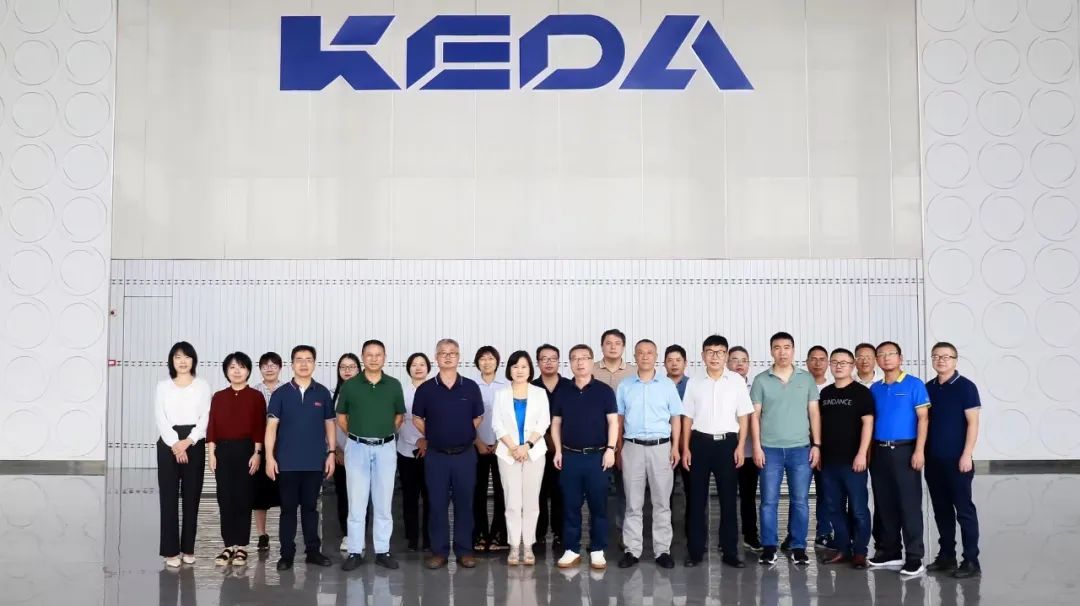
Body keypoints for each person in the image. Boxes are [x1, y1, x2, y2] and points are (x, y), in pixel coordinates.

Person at [412, 338, 485, 570]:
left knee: (465, 503)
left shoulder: (470, 387)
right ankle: (439, 551)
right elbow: (416, 418)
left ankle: (465, 551)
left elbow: (478, 417)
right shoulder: (426, 389)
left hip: (465, 455)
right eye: (443, 353)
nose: (448, 356)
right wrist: (434, 434)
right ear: (436, 358)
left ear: (459, 357)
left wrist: (462, 431)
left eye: (452, 353)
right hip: (436, 456)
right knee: (437, 504)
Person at [681, 335, 753, 568]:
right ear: (703, 355)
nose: (715, 356)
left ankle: (730, 551)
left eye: (720, 352)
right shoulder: (694, 382)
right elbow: (687, 418)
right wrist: (685, 448)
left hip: (727, 445)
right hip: (699, 444)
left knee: (729, 499)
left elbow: (744, 416)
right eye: (710, 352)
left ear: (726, 355)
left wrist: (740, 446)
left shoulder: (736, 382)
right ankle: (695, 551)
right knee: (696, 499)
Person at [265, 345, 337, 571]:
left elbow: (329, 424)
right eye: (299, 359)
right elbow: (271, 428)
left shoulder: (322, 393)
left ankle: (313, 551)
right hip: (286, 463)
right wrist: (269, 458)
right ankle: (286, 554)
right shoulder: (280, 394)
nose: (304, 364)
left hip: (314, 462)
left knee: (310, 508)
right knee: (287, 510)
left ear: (314, 363)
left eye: (308, 359)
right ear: (292, 364)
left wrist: (331, 453)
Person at [751, 331, 820, 567]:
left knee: (800, 500)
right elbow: (755, 416)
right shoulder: (761, 380)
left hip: (800, 449)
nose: (782, 352)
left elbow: (814, 413)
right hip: (769, 450)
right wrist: (757, 447)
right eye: (777, 348)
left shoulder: (806, 379)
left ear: (793, 350)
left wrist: (817, 445)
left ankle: (798, 547)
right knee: (768, 501)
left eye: (787, 347)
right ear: (771, 351)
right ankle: (769, 547)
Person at [337, 340, 406, 571]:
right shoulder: (351, 386)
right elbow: (342, 418)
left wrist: (383, 433)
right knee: (356, 502)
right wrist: (359, 434)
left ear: (384, 357)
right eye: (369, 354)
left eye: (378, 355)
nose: (374, 359)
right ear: (362, 357)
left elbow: (399, 417)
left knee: (383, 502)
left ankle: (382, 550)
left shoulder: (393, 385)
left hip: (385, 448)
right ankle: (355, 551)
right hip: (357, 448)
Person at [616, 339, 683, 569]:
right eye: (640, 353)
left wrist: (675, 447)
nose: (645, 356)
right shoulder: (625, 386)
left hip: (661, 448)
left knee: (662, 502)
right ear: (634, 356)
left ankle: (662, 550)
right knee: (633, 503)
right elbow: (619, 419)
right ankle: (632, 550)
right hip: (632, 447)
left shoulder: (667, 385)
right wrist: (618, 448)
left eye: (649, 353)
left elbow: (676, 417)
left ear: (656, 357)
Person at [552, 344, 618, 570]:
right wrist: (558, 450)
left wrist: (610, 449)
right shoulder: (562, 391)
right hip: (570, 456)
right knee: (570, 505)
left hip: (597, 457)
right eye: (575, 358)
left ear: (592, 361)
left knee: (598, 505)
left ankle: (598, 549)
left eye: (584, 358)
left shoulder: (604, 391)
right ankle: (571, 549)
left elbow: (613, 422)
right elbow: (556, 424)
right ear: (570, 363)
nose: (580, 362)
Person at [868, 341, 930, 576]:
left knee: (909, 504)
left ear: (900, 358)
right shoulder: (875, 388)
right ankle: (890, 551)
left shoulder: (914, 384)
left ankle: (914, 556)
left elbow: (923, 419)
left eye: (891, 354)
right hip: (880, 451)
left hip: (905, 450)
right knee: (884, 504)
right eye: (881, 354)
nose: (886, 358)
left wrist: (919, 450)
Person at [924, 342, 982, 579]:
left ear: (955, 360)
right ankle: (947, 556)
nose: (941, 360)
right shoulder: (928, 388)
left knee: (964, 511)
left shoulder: (966, 387)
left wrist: (967, 454)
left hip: (958, 461)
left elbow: (973, 423)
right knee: (941, 510)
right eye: (936, 356)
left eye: (946, 357)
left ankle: (971, 560)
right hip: (933, 461)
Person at [491, 351, 551, 566]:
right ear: (509, 369)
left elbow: (544, 422)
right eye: (515, 366)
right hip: (508, 454)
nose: (519, 370)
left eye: (524, 366)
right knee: (512, 502)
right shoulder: (501, 394)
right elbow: (497, 424)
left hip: (534, 453)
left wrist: (527, 446)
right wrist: (513, 447)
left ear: (530, 369)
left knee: (532, 502)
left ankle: (529, 545)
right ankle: (514, 546)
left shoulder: (539, 393)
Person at [155, 341, 211, 567]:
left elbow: (205, 417)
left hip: (194, 442)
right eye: (177, 357)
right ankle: (170, 551)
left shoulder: (202, 386)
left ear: (193, 360)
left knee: (192, 497)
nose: (182, 361)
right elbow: (160, 417)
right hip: (168, 442)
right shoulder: (163, 387)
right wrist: (175, 444)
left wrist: (188, 442)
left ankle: (188, 548)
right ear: (171, 361)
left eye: (187, 357)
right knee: (168, 498)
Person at [208, 352, 266, 567]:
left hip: (247, 450)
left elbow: (259, 426)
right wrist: (211, 453)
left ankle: (241, 546)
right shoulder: (218, 397)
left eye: (241, 367)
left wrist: (257, 453)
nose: (237, 371)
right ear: (226, 371)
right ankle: (228, 546)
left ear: (248, 370)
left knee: (243, 497)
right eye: (232, 367)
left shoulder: (256, 396)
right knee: (225, 498)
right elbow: (212, 426)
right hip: (222, 451)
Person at [817, 348, 874, 569]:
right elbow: (819, 423)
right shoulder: (826, 393)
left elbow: (868, 424)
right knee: (834, 508)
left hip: (853, 462)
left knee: (859, 509)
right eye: (835, 362)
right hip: (829, 462)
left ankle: (860, 552)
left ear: (852, 366)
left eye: (844, 362)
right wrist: (818, 450)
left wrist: (862, 453)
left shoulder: (861, 393)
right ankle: (843, 549)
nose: (839, 366)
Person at [593, 329, 636, 543]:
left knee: (625, 489)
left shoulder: (634, 372)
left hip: (627, 438)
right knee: (597, 490)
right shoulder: (590, 370)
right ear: (602, 346)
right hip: (596, 439)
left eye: (617, 343)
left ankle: (623, 534)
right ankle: (599, 535)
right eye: (608, 343)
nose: (612, 347)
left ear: (623, 347)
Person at [532, 344, 573, 555]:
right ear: (538, 362)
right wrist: (544, 439)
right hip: (536, 448)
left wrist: (557, 443)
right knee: (537, 493)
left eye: (553, 358)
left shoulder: (569, 386)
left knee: (561, 493)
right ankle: (538, 535)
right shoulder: (531, 387)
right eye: (544, 358)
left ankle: (560, 534)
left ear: (559, 361)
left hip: (563, 449)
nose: (548, 362)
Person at [473, 345, 509, 554]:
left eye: (491, 358)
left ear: (497, 362)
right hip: (476, 446)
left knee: (501, 492)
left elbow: (510, 419)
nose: (487, 362)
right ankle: (479, 533)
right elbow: (466, 418)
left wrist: (500, 443)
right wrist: (477, 441)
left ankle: (499, 535)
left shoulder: (506, 386)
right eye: (483, 358)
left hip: (502, 447)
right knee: (476, 492)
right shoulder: (470, 386)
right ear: (477, 362)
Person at [727, 345, 761, 551]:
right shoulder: (721, 387)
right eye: (734, 359)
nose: (739, 364)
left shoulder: (755, 388)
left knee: (748, 496)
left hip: (749, 451)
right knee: (728, 496)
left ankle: (751, 534)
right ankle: (727, 538)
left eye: (743, 360)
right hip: (726, 450)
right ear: (727, 362)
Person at [398, 352, 432, 552]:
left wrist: (427, 440)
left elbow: (439, 420)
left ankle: (428, 536)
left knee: (430, 495)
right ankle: (412, 536)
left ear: (428, 368)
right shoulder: (401, 391)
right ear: (408, 368)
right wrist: (415, 440)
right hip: (406, 450)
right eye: (414, 364)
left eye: (422, 364)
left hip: (431, 450)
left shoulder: (435, 390)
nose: (418, 368)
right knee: (409, 496)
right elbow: (399, 420)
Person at [252, 352, 284, 552]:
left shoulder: (288, 389)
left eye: (273, 365)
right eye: (265, 365)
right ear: (260, 369)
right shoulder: (254, 391)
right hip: (260, 448)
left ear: (280, 367)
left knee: (285, 492)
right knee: (259, 494)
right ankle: (262, 534)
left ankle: (285, 534)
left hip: (284, 447)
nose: (269, 368)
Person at [331, 353, 360, 553]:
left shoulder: (366, 391)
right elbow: (328, 425)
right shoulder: (334, 394)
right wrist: (335, 450)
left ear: (359, 369)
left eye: (351, 366)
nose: (347, 370)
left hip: (362, 452)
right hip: (340, 454)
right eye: (343, 367)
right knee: (343, 495)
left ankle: (360, 534)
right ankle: (347, 534)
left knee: (362, 495)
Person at [806, 345, 833, 548]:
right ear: (807, 362)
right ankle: (793, 535)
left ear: (828, 363)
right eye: (813, 359)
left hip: (827, 447)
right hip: (801, 446)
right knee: (799, 493)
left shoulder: (833, 388)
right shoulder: (800, 385)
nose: (817, 363)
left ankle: (824, 532)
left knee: (825, 491)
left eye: (822, 359)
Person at [664, 345, 692, 542]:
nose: (674, 364)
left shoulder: (693, 385)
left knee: (693, 488)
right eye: (670, 360)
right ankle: (666, 529)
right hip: (665, 444)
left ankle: (692, 528)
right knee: (665, 490)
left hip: (690, 444)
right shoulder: (658, 385)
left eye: (678, 360)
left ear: (685, 363)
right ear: (664, 363)